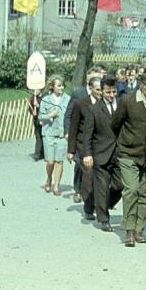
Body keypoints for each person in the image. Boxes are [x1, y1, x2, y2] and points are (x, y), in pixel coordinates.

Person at [111, 67, 146, 248]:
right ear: (142, 84)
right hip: (128, 153)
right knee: (132, 189)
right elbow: (115, 124)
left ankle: (140, 227)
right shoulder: (127, 101)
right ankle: (129, 230)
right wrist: (124, 143)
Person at [81, 76, 123, 232]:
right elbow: (87, 135)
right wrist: (87, 154)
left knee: (120, 185)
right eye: (108, 92)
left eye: (114, 92)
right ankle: (104, 218)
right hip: (100, 154)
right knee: (102, 187)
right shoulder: (94, 109)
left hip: (119, 153)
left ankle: (105, 204)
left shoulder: (122, 106)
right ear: (102, 91)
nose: (111, 95)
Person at [66, 76, 103, 220]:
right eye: (98, 89)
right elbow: (74, 127)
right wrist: (70, 150)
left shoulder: (106, 104)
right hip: (83, 146)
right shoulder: (81, 104)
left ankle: (100, 205)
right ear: (91, 88)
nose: (100, 92)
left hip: (100, 146)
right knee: (88, 176)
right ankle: (89, 207)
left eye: (102, 89)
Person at [39, 75, 70, 196]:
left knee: (59, 161)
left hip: (62, 135)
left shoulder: (68, 99)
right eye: (59, 85)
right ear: (52, 86)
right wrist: (50, 115)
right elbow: (40, 116)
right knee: (50, 161)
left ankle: (56, 185)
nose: (61, 87)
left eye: (62, 85)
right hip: (49, 134)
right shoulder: (46, 99)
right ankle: (49, 178)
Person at [27, 88, 44, 161]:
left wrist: (38, 106)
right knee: (38, 135)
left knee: (43, 136)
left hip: (43, 119)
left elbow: (46, 108)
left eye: (37, 90)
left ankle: (42, 153)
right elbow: (30, 108)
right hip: (36, 120)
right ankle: (38, 153)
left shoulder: (44, 98)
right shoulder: (33, 98)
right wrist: (32, 111)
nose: (35, 91)